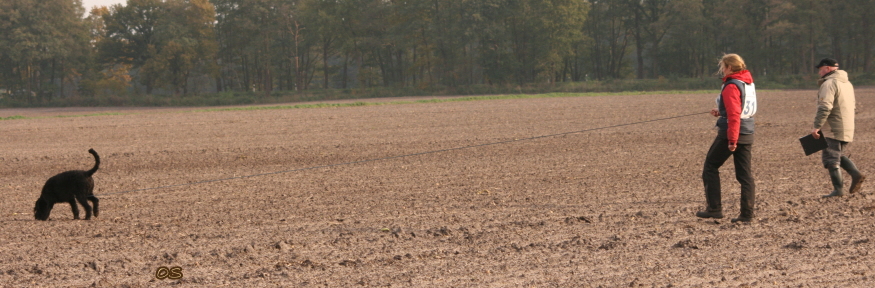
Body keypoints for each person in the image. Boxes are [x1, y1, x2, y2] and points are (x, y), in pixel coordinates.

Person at [696, 53, 757, 223]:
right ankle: (747, 214)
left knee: (710, 166)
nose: (722, 70)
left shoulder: (731, 85)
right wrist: (721, 112)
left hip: (732, 132)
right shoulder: (748, 83)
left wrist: (731, 140)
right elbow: (741, 109)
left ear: (729, 67)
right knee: (745, 176)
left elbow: (735, 114)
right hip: (747, 132)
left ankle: (714, 209)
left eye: (723, 67)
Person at [811, 58, 865, 197]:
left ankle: (839, 190)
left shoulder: (829, 83)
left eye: (820, 69)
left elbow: (825, 106)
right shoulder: (846, 83)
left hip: (833, 127)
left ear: (827, 69)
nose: (819, 72)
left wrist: (817, 126)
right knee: (838, 154)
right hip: (846, 125)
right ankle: (855, 174)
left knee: (831, 159)